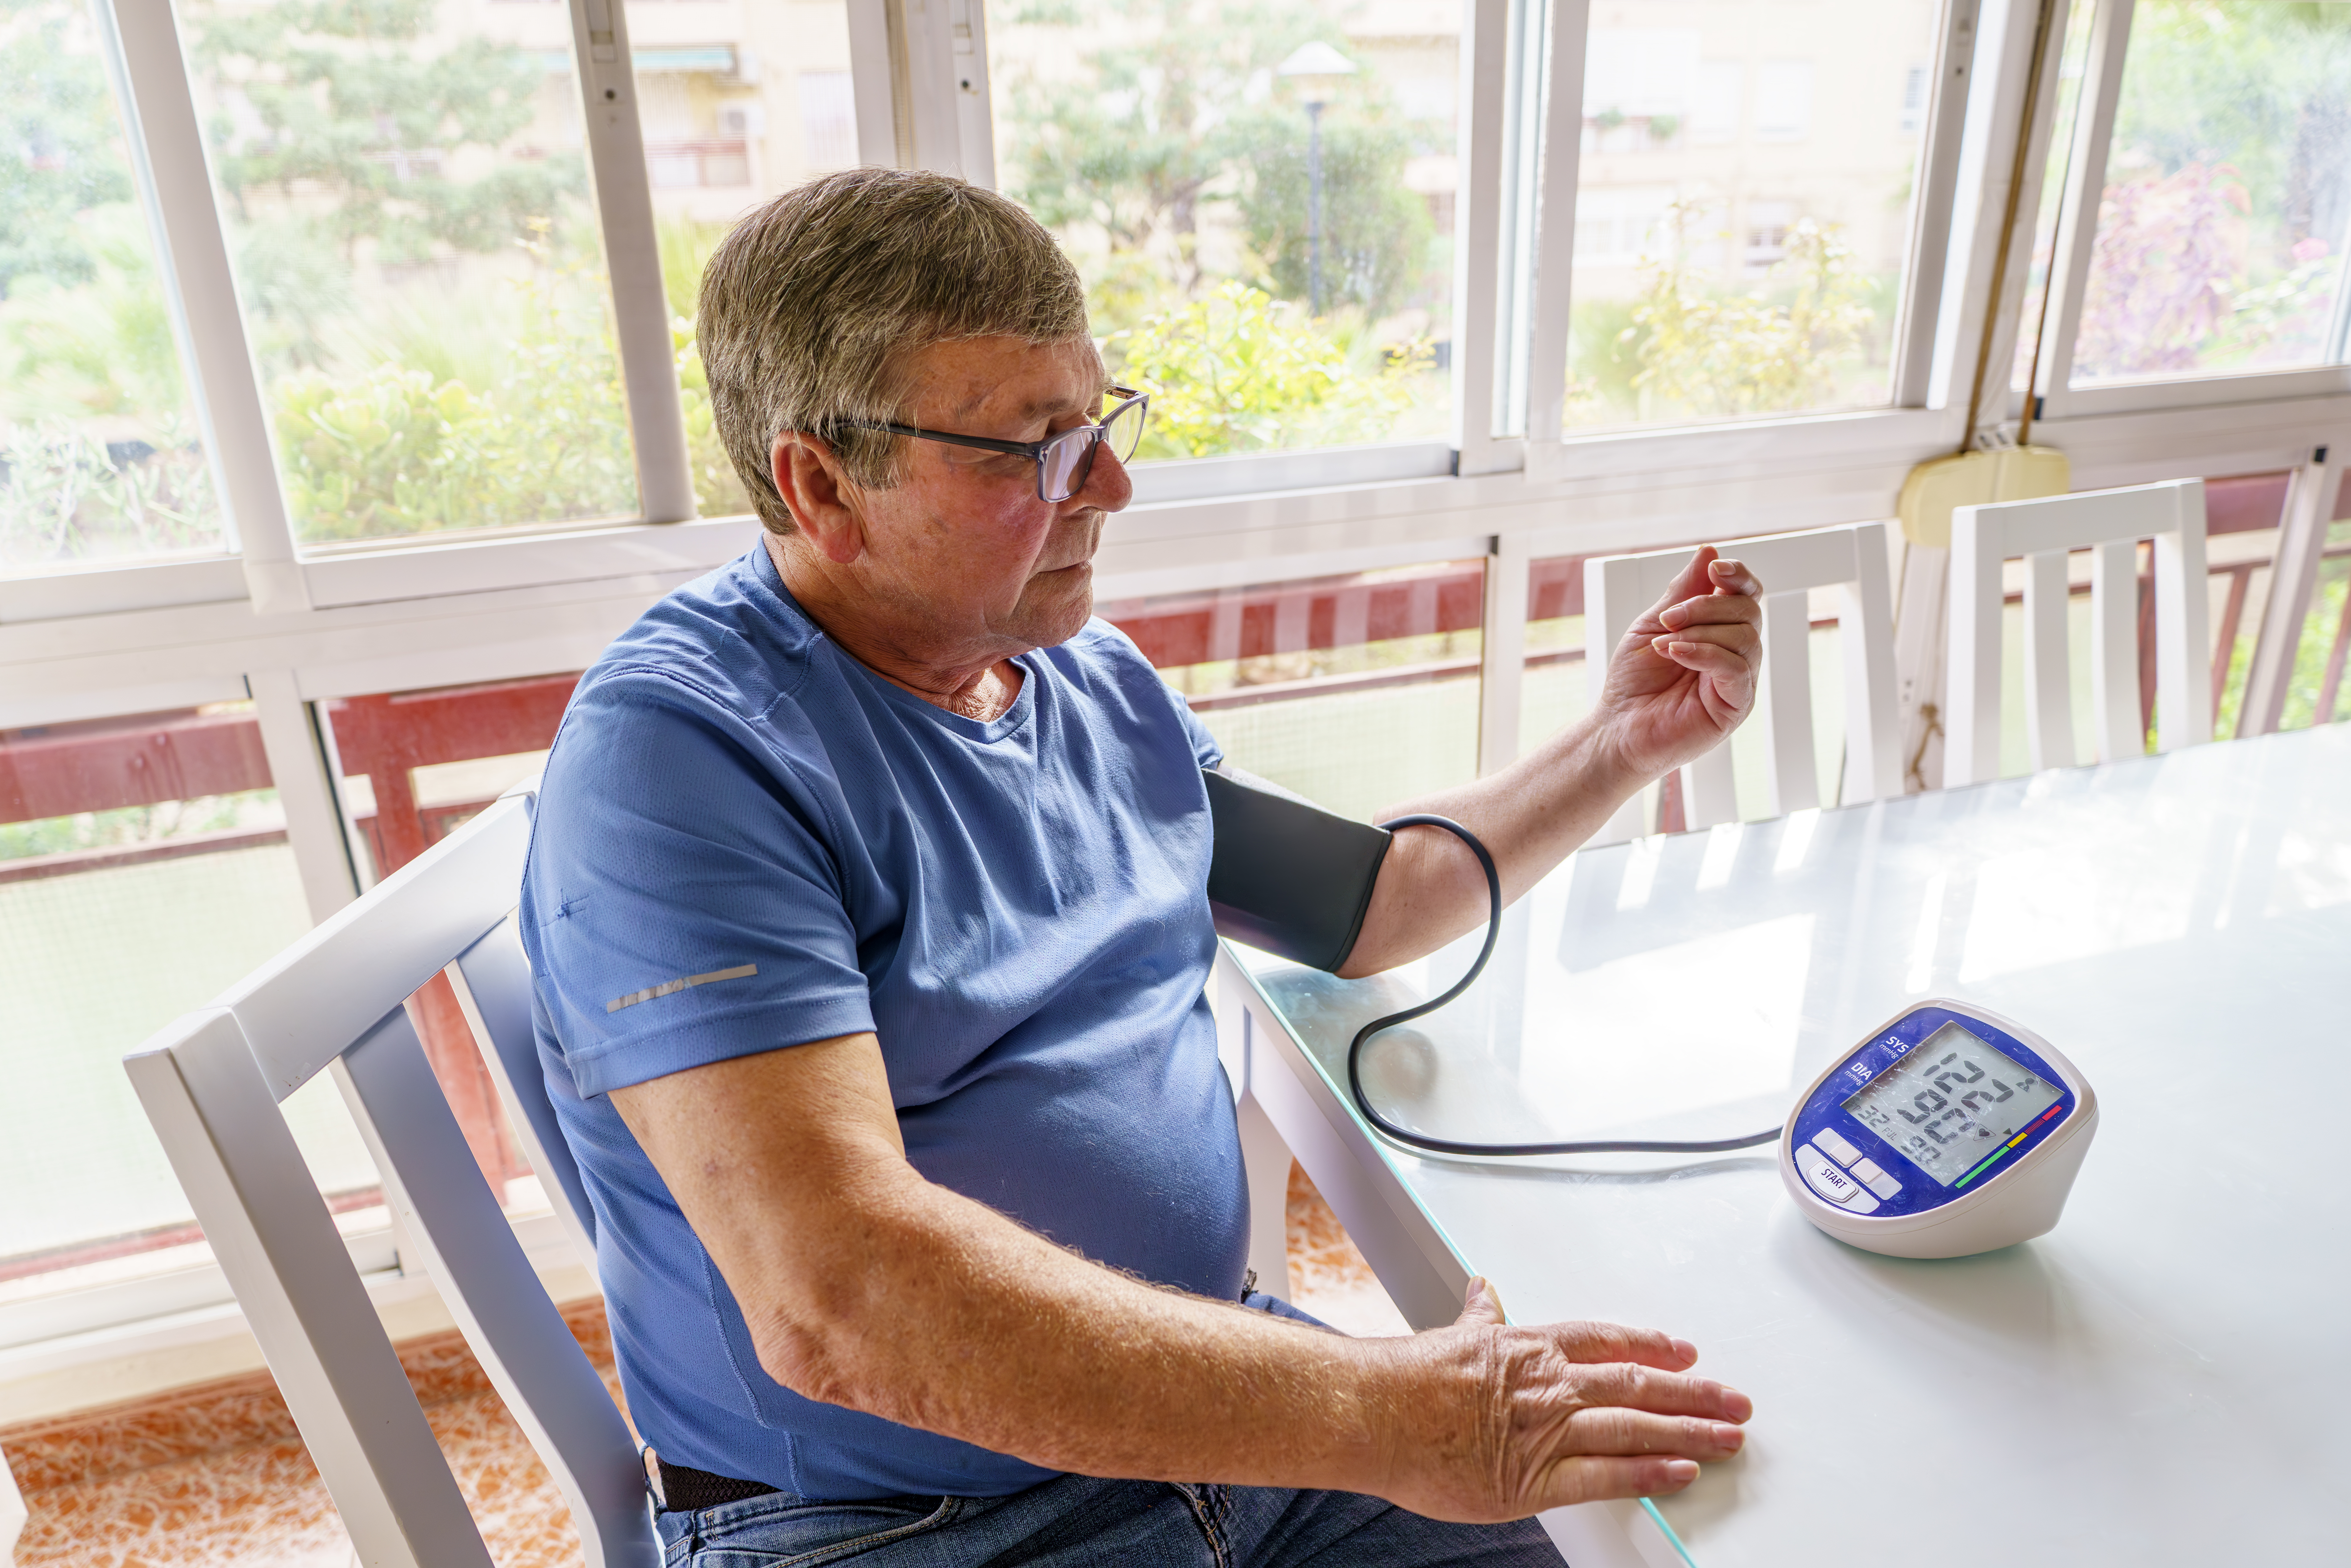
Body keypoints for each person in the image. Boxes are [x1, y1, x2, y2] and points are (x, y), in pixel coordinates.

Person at [520, 167, 1763, 1567]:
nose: (1112, 482)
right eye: (1031, 447)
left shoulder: (1074, 676)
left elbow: (1366, 905)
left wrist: (1617, 741)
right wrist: (1386, 1410)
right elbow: (839, 1302)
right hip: (908, 1527)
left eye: (1096, 418)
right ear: (821, 484)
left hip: (1226, 1417)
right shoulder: (680, 758)